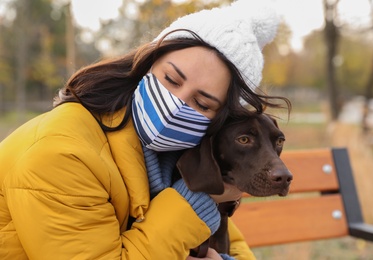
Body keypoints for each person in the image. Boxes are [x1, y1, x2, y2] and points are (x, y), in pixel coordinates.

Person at [0, 0, 289, 259]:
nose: (176, 104)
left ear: (217, 120)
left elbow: (230, 247)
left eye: (202, 103)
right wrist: (198, 199)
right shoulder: (60, 154)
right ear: (147, 64)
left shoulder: (179, 150)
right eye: (171, 80)